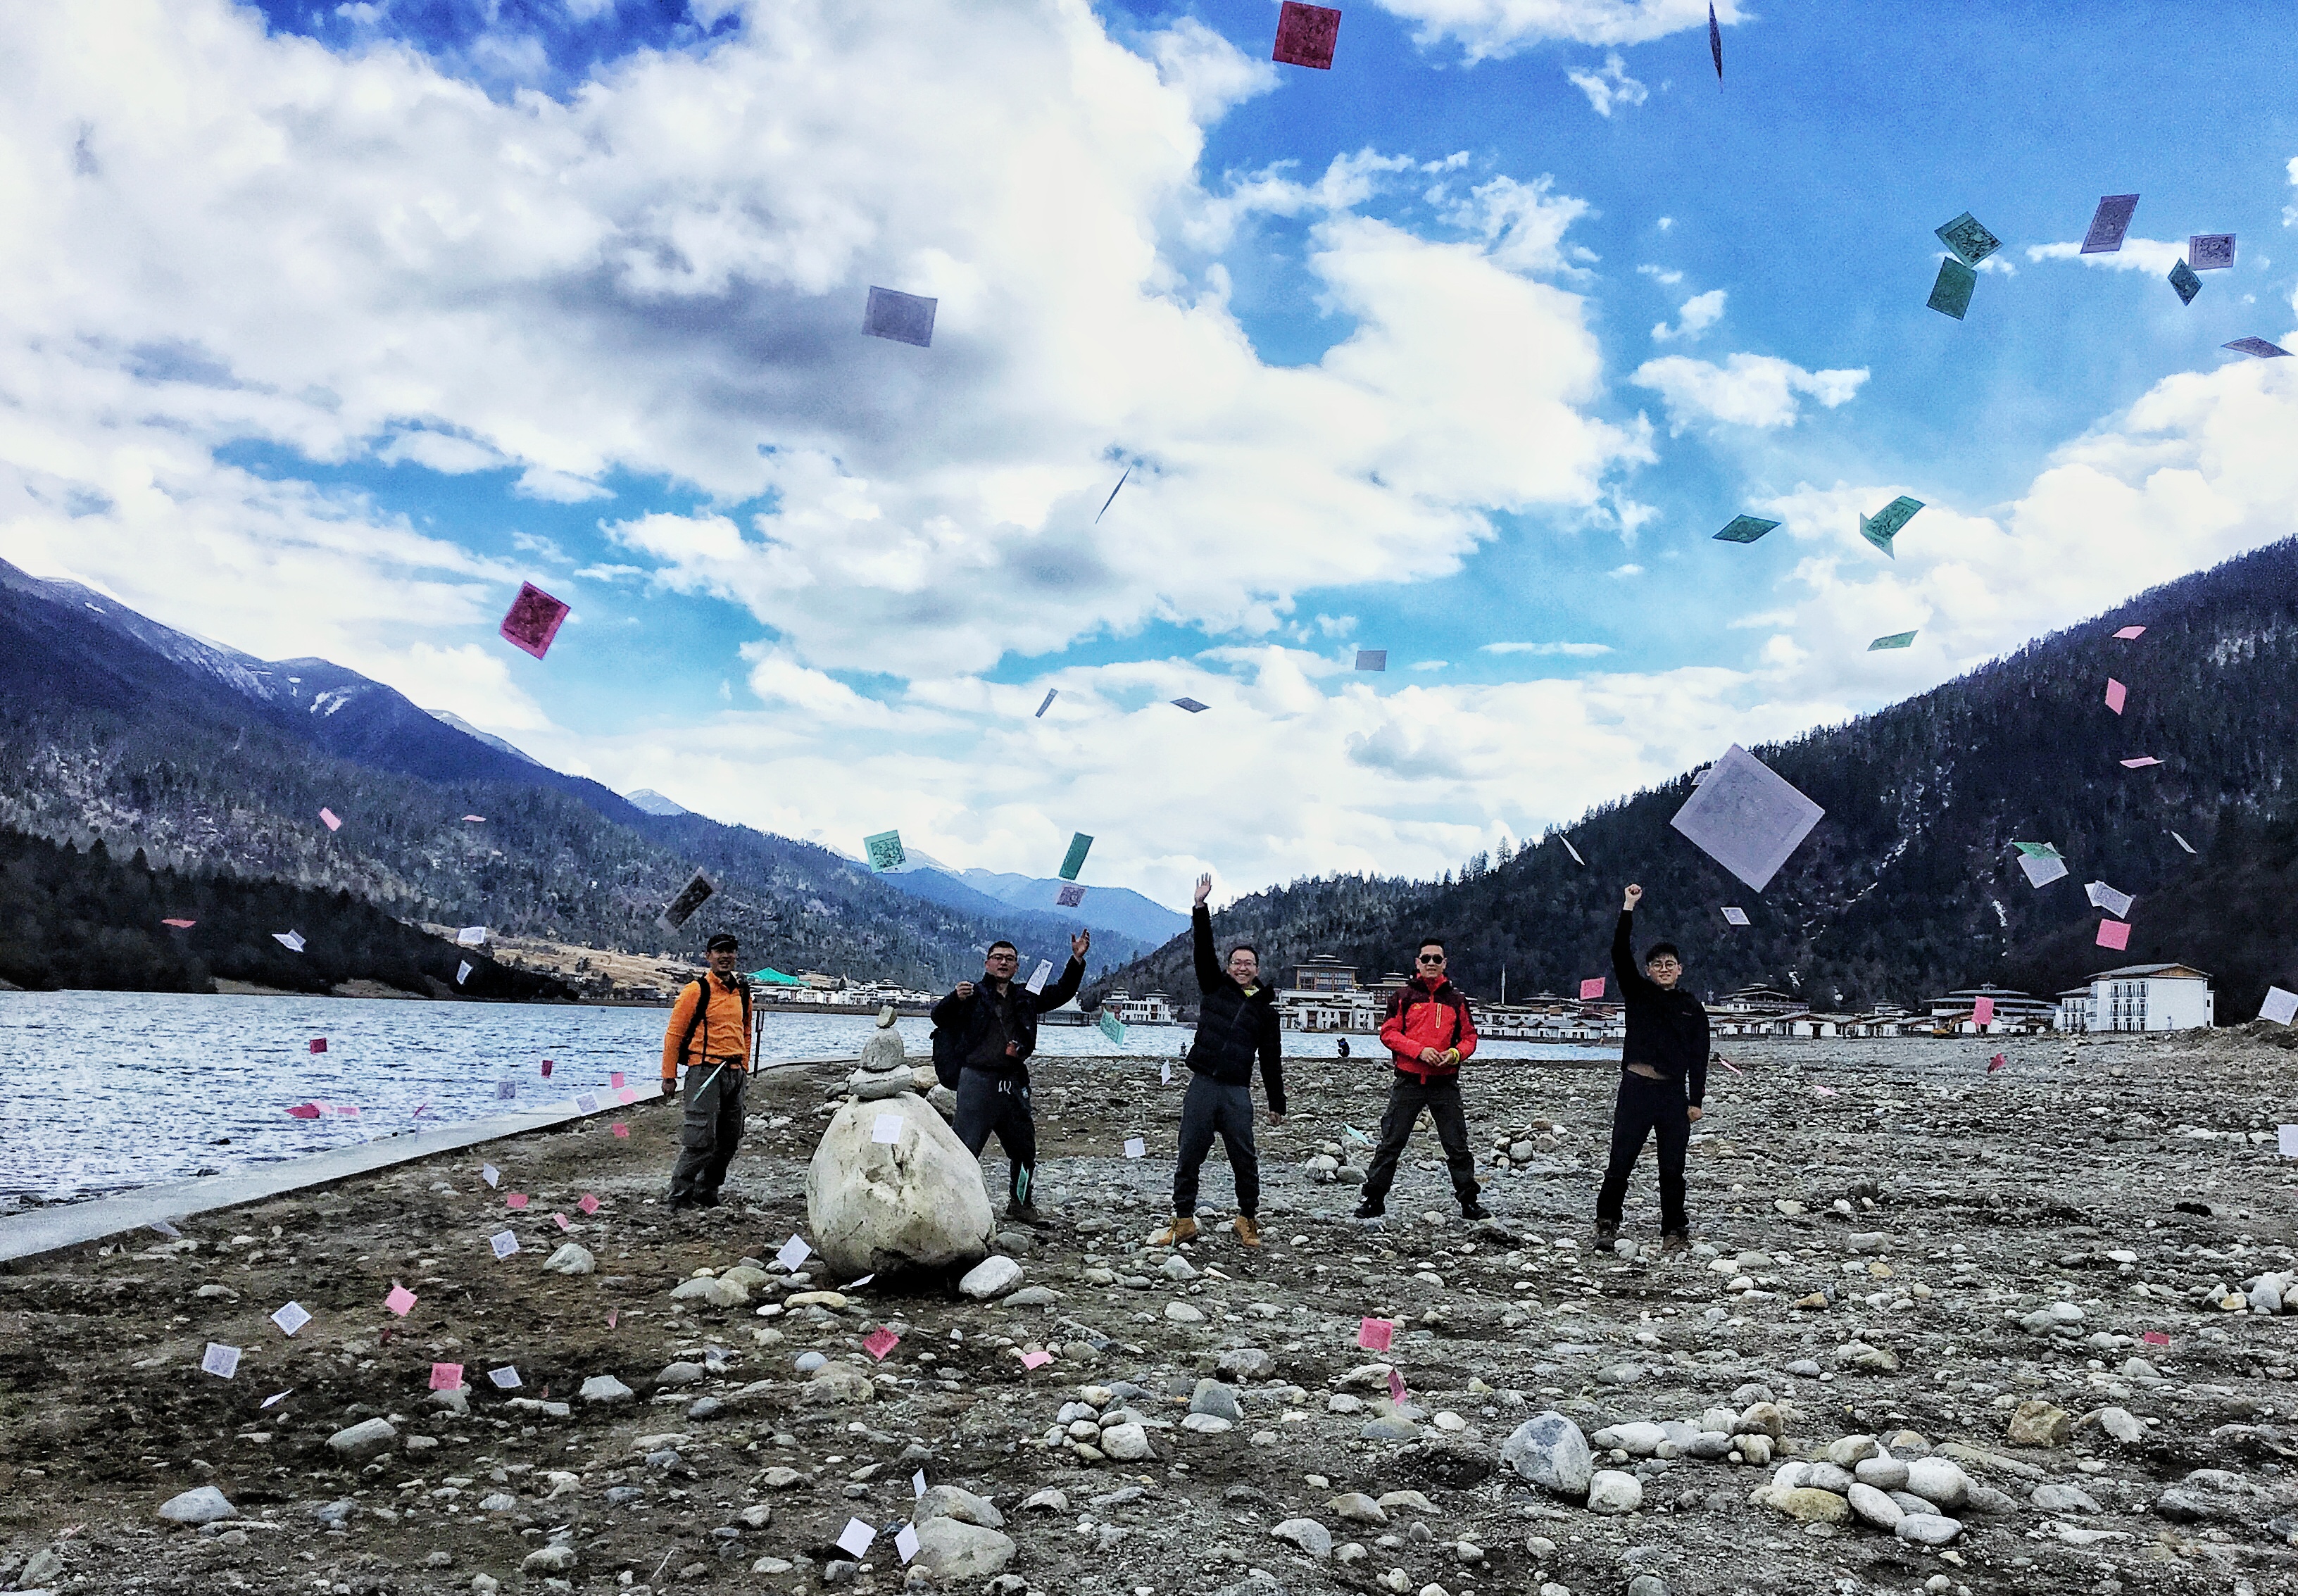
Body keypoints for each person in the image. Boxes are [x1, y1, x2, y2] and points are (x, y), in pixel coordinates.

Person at [1150, 874, 1286, 1248]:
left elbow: (1271, 1059)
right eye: (1237, 962)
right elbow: (1203, 948)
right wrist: (1200, 907)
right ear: (1228, 968)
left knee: (1245, 1156)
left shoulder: (1266, 1012)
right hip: (1203, 1084)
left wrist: (1277, 1102)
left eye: (1249, 963)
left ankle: (1247, 1218)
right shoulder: (1214, 987)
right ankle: (1183, 1220)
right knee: (1190, 1151)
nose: (1242, 968)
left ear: (1257, 970)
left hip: (1237, 1091)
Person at [934, 929, 1091, 1224]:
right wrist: (954, 999)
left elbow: (1063, 992)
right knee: (964, 1150)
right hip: (976, 1081)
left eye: (1009, 959)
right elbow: (939, 1018)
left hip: (1013, 1082)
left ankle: (1020, 1203)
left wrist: (1076, 960)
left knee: (1024, 1150)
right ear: (987, 964)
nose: (1003, 963)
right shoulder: (971, 994)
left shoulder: (1026, 997)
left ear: (1017, 967)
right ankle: (953, 1207)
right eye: (998, 958)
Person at [1595, 884, 1710, 1253]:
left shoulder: (1692, 1007)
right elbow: (1619, 951)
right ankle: (1606, 1223)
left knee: (1672, 1167)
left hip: (1673, 1094)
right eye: (1657, 965)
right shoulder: (1638, 992)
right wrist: (1628, 906)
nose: (1664, 969)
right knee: (1621, 1161)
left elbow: (1700, 1055)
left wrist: (1696, 1100)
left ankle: (1674, 1230)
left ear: (1680, 970)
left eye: (1669, 964)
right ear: (1648, 970)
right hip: (1636, 1090)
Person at [1354, 937, 1488, 1221]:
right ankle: (1374, 1199)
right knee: (1391, 1142)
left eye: (1437, 959)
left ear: (1444, 963)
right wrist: (1419, 1051)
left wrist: (1455, 1055)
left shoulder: (1457, 1001)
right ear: (1417, 963)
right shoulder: (1403, 997)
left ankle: (1469, 1201)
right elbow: (1389, 1033)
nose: (1431, 963)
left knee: (1457, 1145)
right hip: (1409, 1081)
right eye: (1426, 958)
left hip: (1444, 1083)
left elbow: (1469, 1038)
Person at [660, 933, 754, 1212]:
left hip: (735, 1072)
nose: (725, 956)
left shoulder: (742, 992)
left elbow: (746, 1030)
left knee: (729, 1139)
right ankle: (679, 1196)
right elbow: (674, 1035)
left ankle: (706, 1192)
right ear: (708, 956)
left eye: (730, 951)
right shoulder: (696, 991)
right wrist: (668, 1076)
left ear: (735, 955)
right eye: (719, 951)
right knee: (700, 1139)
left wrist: (744, 1064)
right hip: (704, 1071)